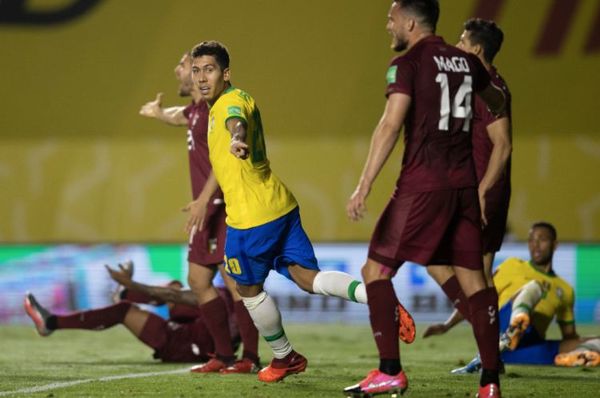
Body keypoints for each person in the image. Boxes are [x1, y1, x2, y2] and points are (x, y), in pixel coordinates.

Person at [344, 1, 506, 397]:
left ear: (410, 22)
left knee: (375, 272)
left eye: (391, 18)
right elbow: (498, 101)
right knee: (474, 280)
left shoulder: (409, 64)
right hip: (463, 188)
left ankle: (390, 371)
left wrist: (364, 183)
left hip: (421, 186)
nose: (388, 25)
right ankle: (489, 383)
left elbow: (390, 124)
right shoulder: (465, 61)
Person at [189, 40, 371, 383]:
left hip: (251, 218)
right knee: (307, 278)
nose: (201, 77)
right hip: (280, 206)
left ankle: (284, 356)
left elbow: (236, 122)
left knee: (247, 290)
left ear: (225, 74)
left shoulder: (231, 102)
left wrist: (237, 137)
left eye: (209, 70)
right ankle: (373, 295)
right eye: (196, 70)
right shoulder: (217, 106)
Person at [139, 52, 260, 373]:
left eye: (184, 67)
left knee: (235, 282)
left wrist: (206, 200)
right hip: (205, 208)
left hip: (222, 206)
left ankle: (250, 357)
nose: (178, 71)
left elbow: (223, 162)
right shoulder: (195, 111)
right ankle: (223, 355)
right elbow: (181, 115)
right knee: (197, 279)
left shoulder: (213, 112)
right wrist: (159, 113)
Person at [426, 18, 512, 331]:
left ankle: (483, 333)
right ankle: (491, 351)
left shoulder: (490, 88)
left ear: (476, 48)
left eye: (462, 42)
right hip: (477, 188)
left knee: (432, 252)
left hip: (482, 191)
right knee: (482, 272)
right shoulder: (477, 84)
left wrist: (482, 191)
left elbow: (503, 146)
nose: (457, 46)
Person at [425, 222, 600, 372]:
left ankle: (575, 357)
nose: (535, 245)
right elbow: (478, 297)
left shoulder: (565, 290)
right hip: (501, 325)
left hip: (524, 346)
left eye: (542, 240)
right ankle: (515, 326)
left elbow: (569, 335)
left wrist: (584, 341)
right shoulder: (513, 265)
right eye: (532, 240)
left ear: (555, 245)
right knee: (535, 286)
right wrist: (447, 325)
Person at [23, 262, 241, 365]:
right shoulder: (236, 294)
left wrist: (131, 284)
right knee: (174, 289)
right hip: (191, 333)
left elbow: (174, 298)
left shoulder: (225, 295)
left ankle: (51, 322)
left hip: (188, 345)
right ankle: (124, 293)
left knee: (160, 297)